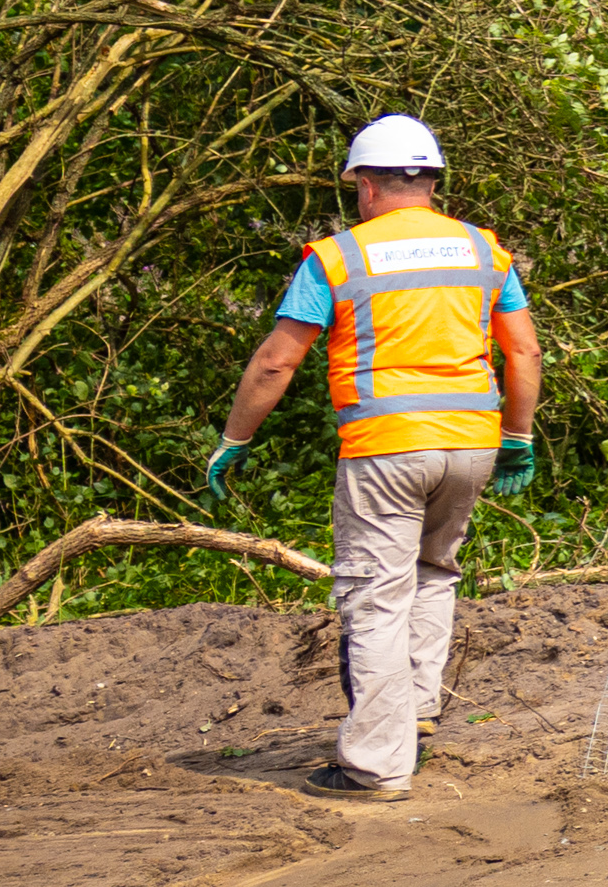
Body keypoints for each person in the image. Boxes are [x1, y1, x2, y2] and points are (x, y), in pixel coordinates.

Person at [203, 115, 541, 802]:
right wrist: (519, 435)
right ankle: (414, 716)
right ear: (433, 182)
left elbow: (276, 362)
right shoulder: (484, 250)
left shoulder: (336, 258)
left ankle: (377, 765)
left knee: (376, 598)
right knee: (434, 575)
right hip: (470, 445)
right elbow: (525, 351)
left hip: (384, 450)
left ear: (365, 184)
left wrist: (234, 439)